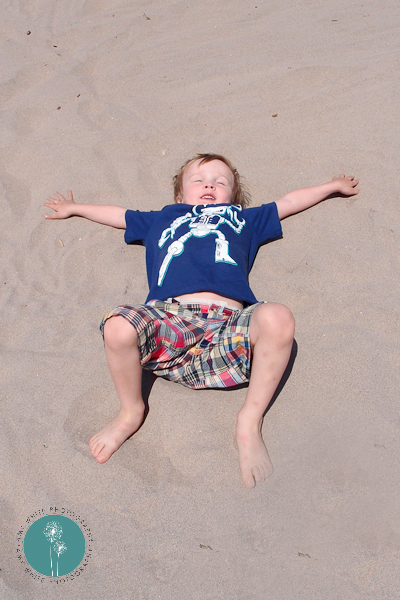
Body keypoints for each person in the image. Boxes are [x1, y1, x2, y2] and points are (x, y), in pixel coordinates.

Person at [44, 154, 359, 489]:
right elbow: (119, 215)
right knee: (118, 325)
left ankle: (249, 421)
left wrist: (331, 187)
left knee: (278, 317)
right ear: (180, 195)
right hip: (170, 322)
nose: (210, 184)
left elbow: (289, 202)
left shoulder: (243, 218)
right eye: (199, 179)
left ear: (233, 196)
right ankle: (130, 411)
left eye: (220, 182)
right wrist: (75, 208)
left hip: (228, 330)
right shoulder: (164, 217)